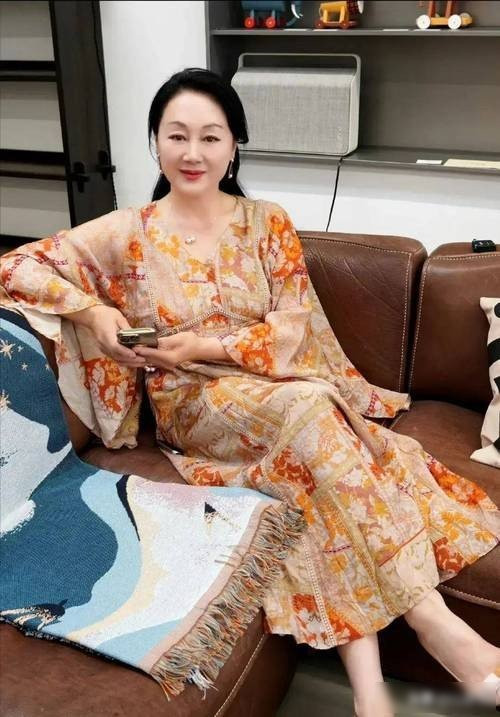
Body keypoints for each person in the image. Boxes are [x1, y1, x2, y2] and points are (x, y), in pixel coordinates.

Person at [1, 68, 498, 716]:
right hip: (195, 404)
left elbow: (292, 326)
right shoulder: (127, 233)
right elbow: (18, 266)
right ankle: (435, 624)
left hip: (271, 384)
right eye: (177, 135)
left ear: (234, 144)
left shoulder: (267, 224)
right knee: (313, 412)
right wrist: (95, 314)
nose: (193, 151)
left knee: (310, 460)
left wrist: (201, 345)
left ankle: (369, 690)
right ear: (156, 142)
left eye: (211, 136)